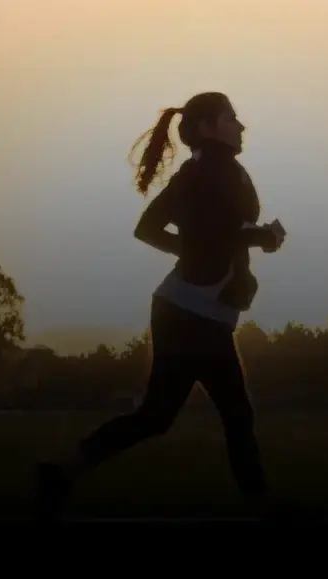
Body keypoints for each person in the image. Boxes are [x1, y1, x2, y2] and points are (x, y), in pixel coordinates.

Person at [35, 92, 286, 524]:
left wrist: (213, 253)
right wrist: (249, 240)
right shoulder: (206, 173)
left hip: (190, 310)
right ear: (208, 127)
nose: (241, 126)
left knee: (157, 416)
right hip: (192, 314)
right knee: (234, 413)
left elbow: (176, 231)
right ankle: (260, 502)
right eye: (231, 118)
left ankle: (61, 473)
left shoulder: (216, 172)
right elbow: (201, 231)